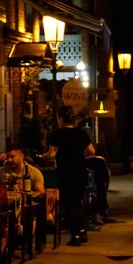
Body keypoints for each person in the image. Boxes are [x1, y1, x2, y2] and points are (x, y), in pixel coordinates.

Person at [43, 106, 96, 247]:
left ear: (60, 119)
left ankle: (75, 235)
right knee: (78, 201)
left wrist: (43, 156)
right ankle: (82, 230)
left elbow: (51, 154)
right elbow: (91, 151)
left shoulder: (57, 134)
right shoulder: (81, 133)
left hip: (65, 172)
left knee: (68, 203)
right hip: (80, 170)